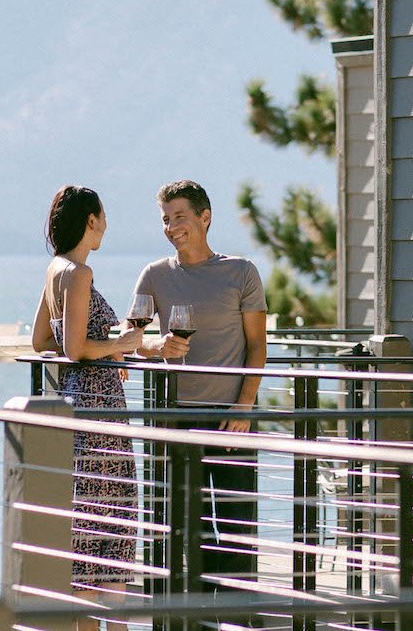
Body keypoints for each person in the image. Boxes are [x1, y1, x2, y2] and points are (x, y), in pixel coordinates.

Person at [131, 179, 269, 589]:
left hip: (232, 419)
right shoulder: (154, 276)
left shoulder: (241, 272)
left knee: (236, 531)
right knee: (182, 528)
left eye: (180, 217)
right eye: (165, 219)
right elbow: (131, 339)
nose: (171, 226)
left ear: (205, 218)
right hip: (175, 420)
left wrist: (244, 406)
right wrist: (157, 346)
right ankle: (189, 617)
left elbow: (258, 345)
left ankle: (237, 619)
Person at [31, 185, 147, 595]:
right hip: (100, 406)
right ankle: (110, 612)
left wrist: (100, 349)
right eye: (104, 217)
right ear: (91, 220)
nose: (106, 227)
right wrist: (119, 346)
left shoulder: (55, 269)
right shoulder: (80, 273)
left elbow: (42, 341)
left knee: (86, 510)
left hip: (73, 398)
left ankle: (84, 609)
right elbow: (77, 348)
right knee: (112, 510)